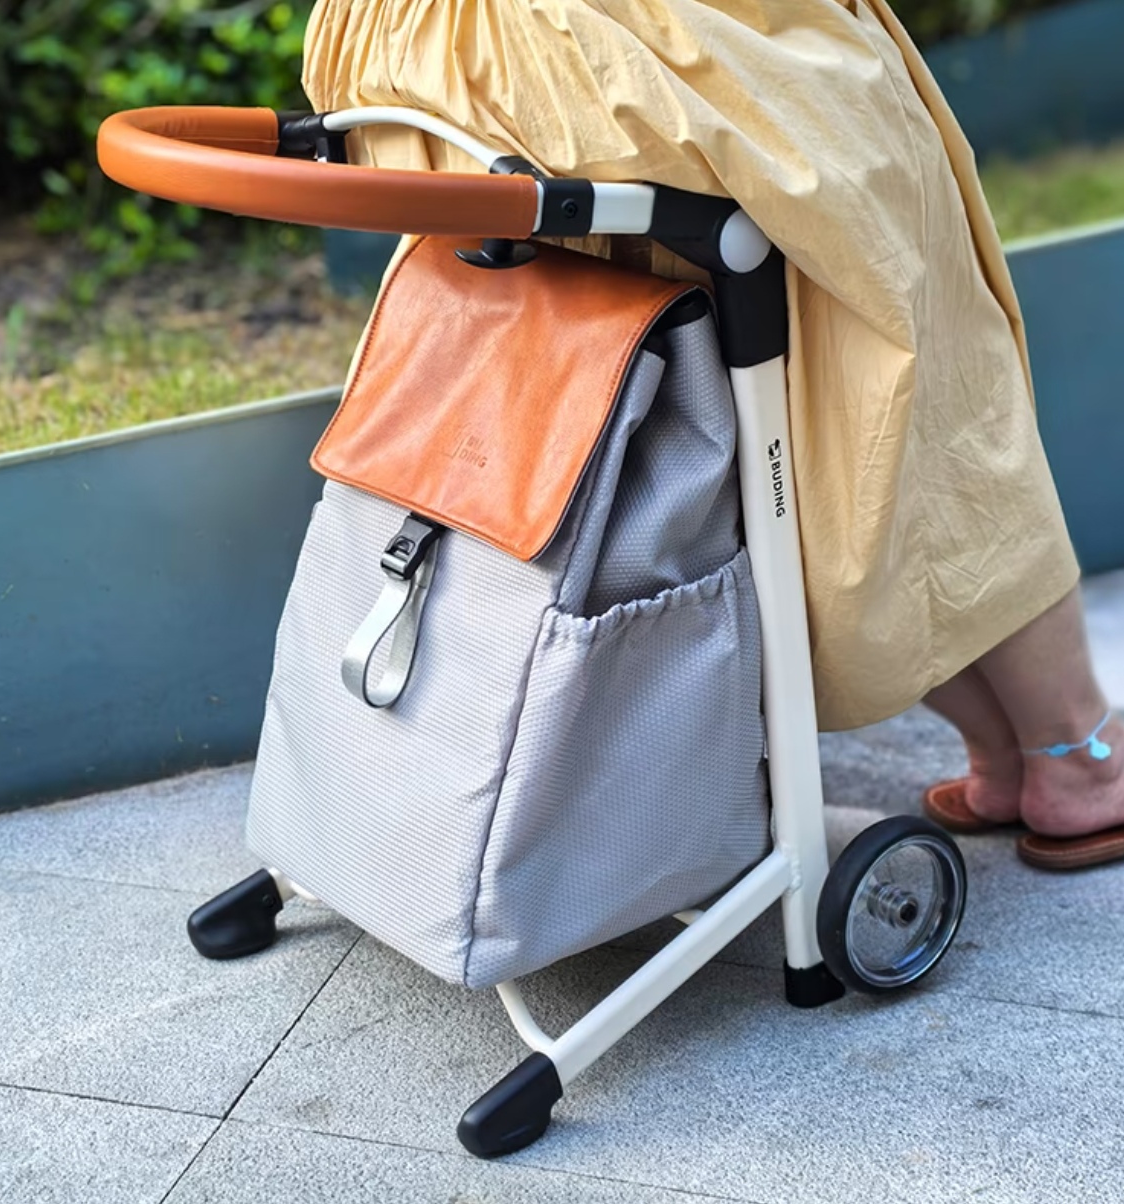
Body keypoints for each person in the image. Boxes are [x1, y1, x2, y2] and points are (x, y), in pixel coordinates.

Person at [299, 0, 1121, 867]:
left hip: (419, 53)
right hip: (634, 52)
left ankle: (1007, 751)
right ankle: (1079, 758)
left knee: (787, 426)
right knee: (908, 403)